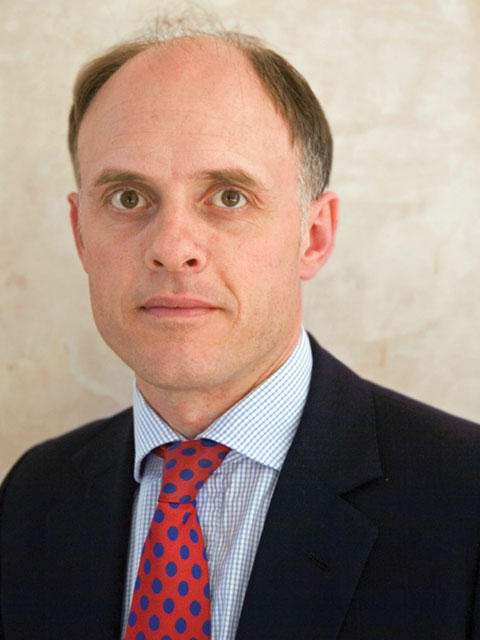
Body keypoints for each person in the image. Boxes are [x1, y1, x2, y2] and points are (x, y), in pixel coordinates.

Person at [1, 23, 479, 640]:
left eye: (228, 196)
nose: (172, 248)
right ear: (80, 235)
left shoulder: (464, 497)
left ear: (313, 236)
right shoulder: (31, 496)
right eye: (127, 198)